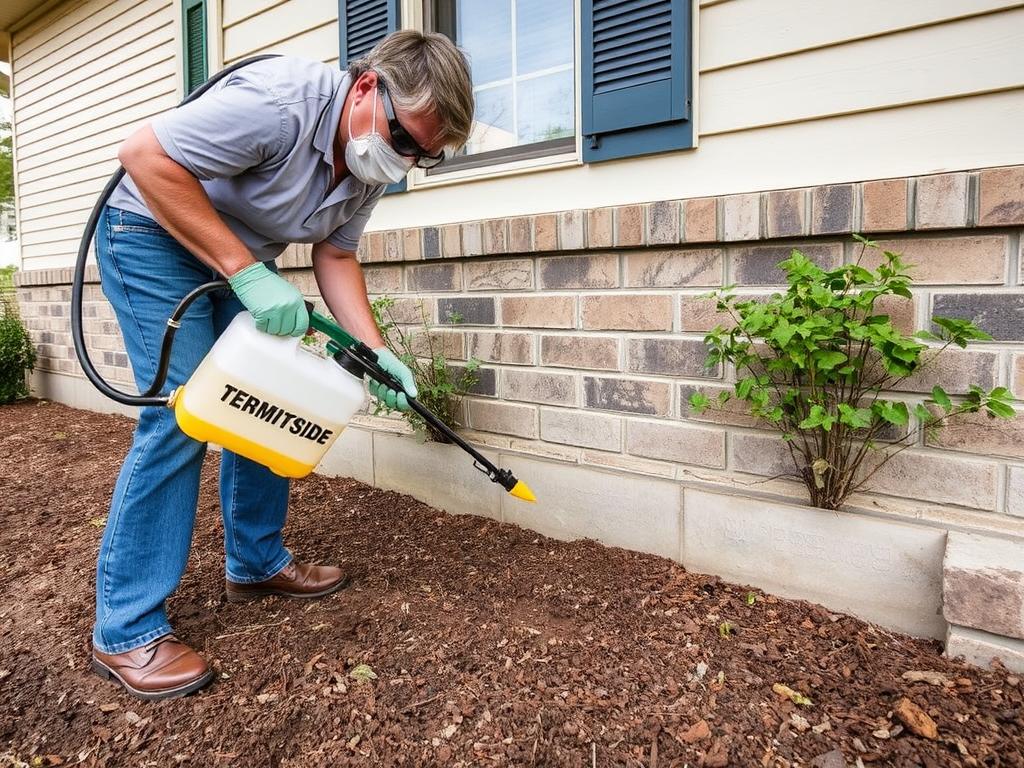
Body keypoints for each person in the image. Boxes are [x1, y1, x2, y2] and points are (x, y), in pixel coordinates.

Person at [88, 31, 474, 701]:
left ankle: (257, 560)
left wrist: (377, 350)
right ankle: (124, 631)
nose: (407, 162)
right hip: (147, 231)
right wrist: (246, 272)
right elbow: (143, 157)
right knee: (182, 414)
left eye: (425, 157)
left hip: (232, 253)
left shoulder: (368, 161)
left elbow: (336, 256)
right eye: (406, 140)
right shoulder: (280, 102)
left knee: (278, 394)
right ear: (364, 89)